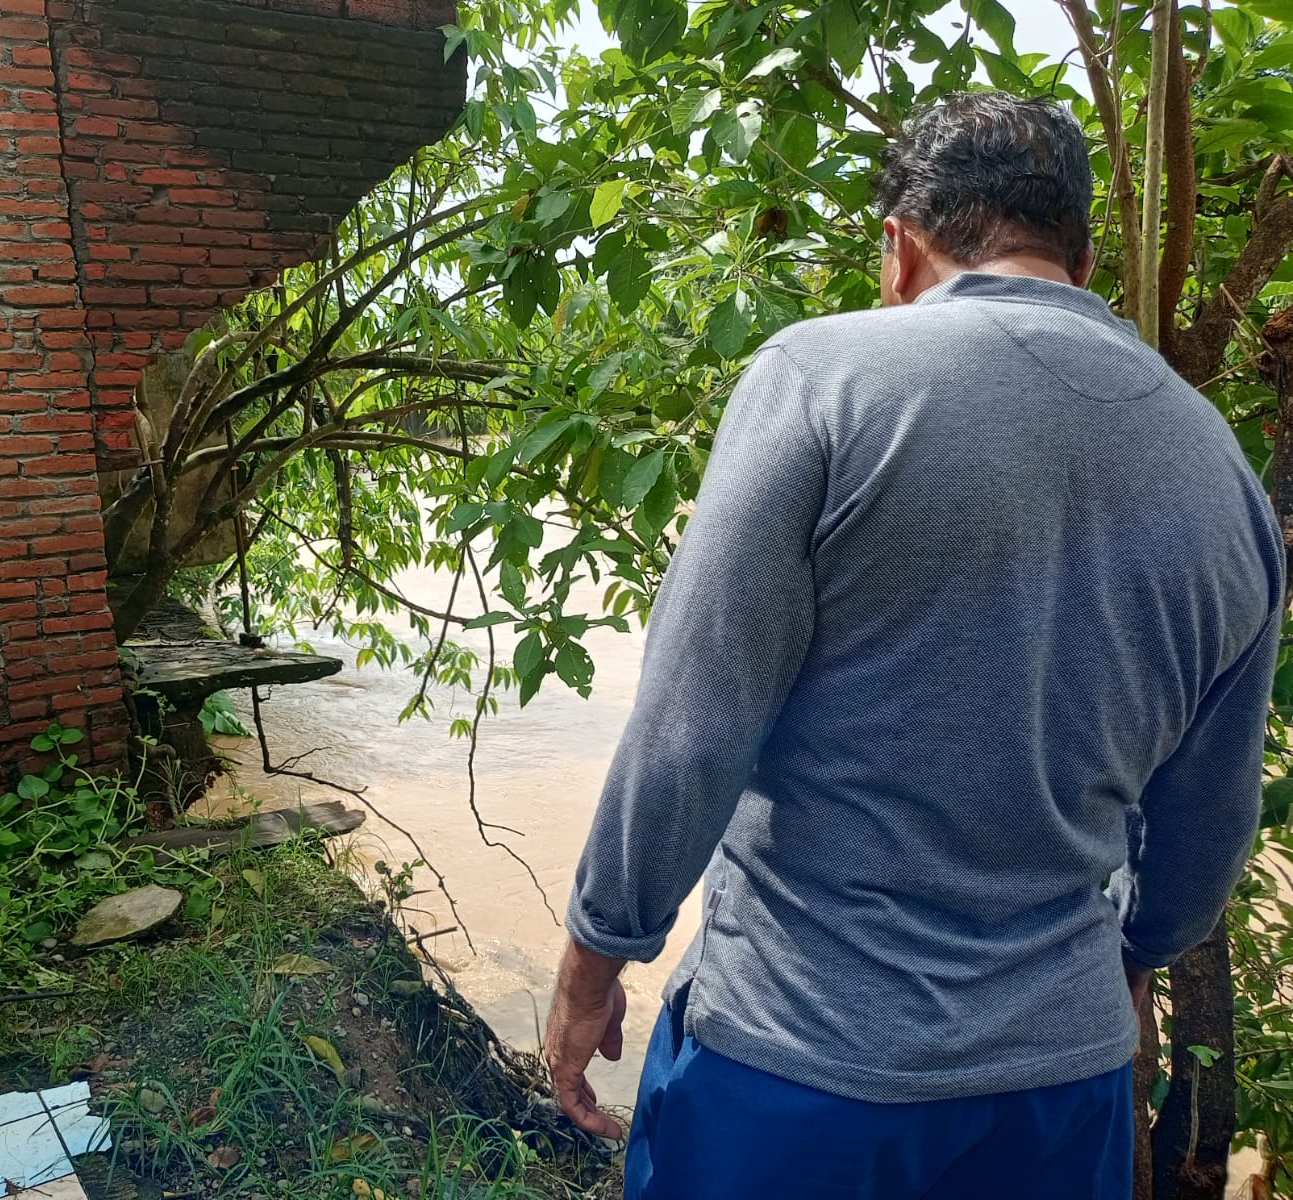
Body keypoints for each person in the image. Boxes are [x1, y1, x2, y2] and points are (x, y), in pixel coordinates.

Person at [542, 91, 1284, 1199]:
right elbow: (1211, 820)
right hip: (1058, 1088)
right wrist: (1124, 966)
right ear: (1081, 259)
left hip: (798, 1062)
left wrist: (597, 954)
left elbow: (693, 728)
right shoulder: (1219, 468)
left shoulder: (823, 380)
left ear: (898, 248)